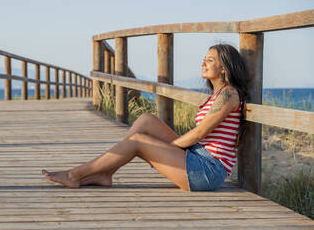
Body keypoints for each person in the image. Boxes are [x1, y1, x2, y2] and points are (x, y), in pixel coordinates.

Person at [42, 44, 248, 191]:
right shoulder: (217, 94)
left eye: (210, 60)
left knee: (139, 141)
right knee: (146, 120)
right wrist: (166, 148)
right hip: (198, 156)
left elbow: (201, 132)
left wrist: (167, 148)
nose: (203, 63)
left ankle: (75, 175)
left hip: (208, 171)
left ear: (224, 68)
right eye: (204, 59)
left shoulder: (229, 94)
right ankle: (106, 172)